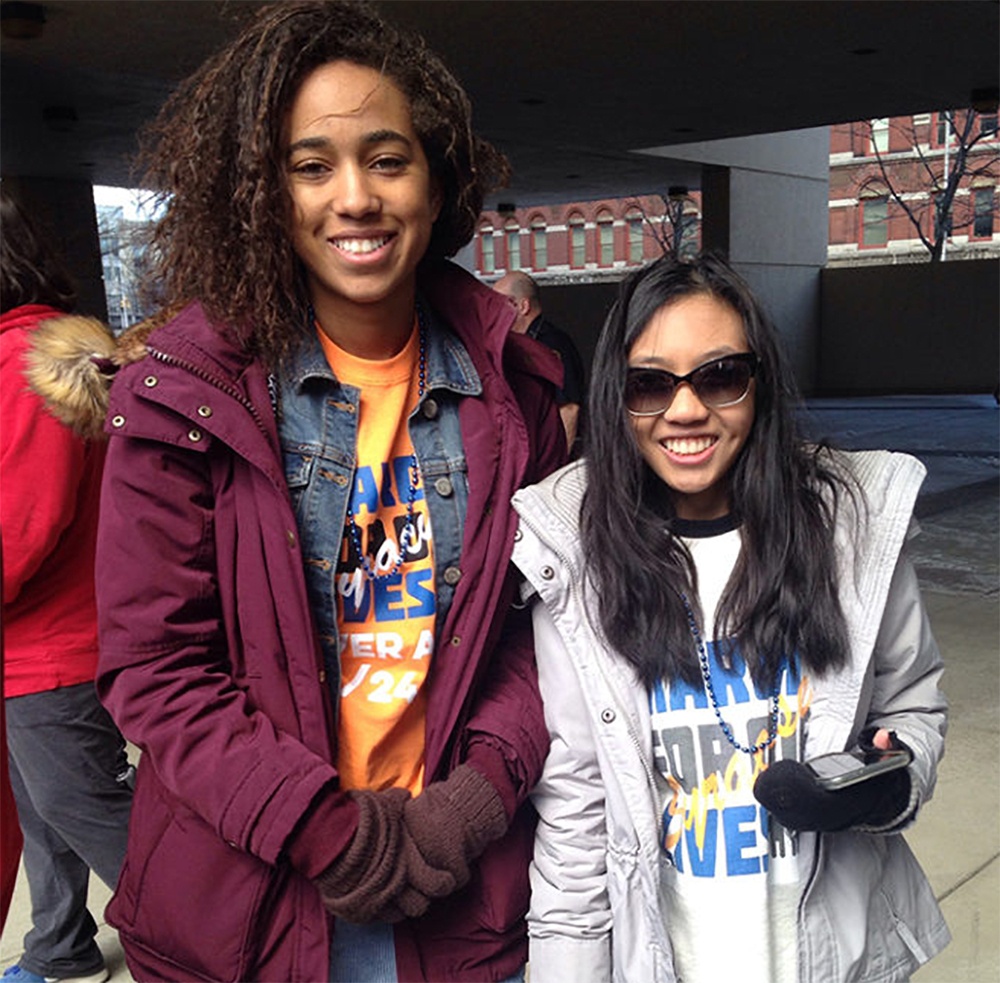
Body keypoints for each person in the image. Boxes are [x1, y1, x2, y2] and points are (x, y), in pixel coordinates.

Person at [91, 2, 566, 981]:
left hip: (457, 889)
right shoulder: (183, 397)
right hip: (255, 905)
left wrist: (474, 799)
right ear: (263, 193)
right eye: (311, 166)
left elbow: (543, 632)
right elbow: (157, 668)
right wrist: (324, 830)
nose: (355, 197)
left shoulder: (516, 394)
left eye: (387, 159)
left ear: (436, 181)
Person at [510, 253, 950, 982]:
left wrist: (888, 778)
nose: (685, 410)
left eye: (719, 376)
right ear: (617, 397)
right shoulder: (576, 556)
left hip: (835, 959)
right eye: (651, 384)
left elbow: (913, 707)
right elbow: (576, 817)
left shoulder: (852, 529)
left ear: (760, 382)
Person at [1, 190, 133, 983]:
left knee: (86, 806)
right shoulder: (36, 352)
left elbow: (19, 526)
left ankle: (210, 942)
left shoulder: (28, 365)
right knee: (45, 807)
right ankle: (59, 945)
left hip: (52, 647)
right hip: (45, 640)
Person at [493, 271, 586, 456]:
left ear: (523, 306)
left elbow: (569, 409)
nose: (494, 313)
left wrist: (558, 466)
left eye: (499, 305)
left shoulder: (551, 344)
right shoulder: (523, 344)